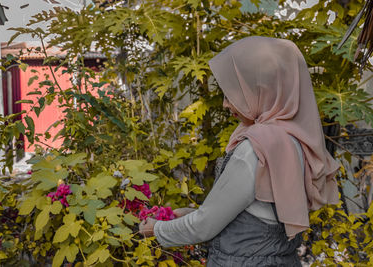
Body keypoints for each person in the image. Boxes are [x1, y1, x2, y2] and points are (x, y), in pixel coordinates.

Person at [139, 36, 340, 266]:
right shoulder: (295, 140)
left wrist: (158, 228)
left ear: (261, 90)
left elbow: (204, 226)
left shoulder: (255, 149)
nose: (226, 104)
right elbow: (258, 213)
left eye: (234, 94)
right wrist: (192, 212)